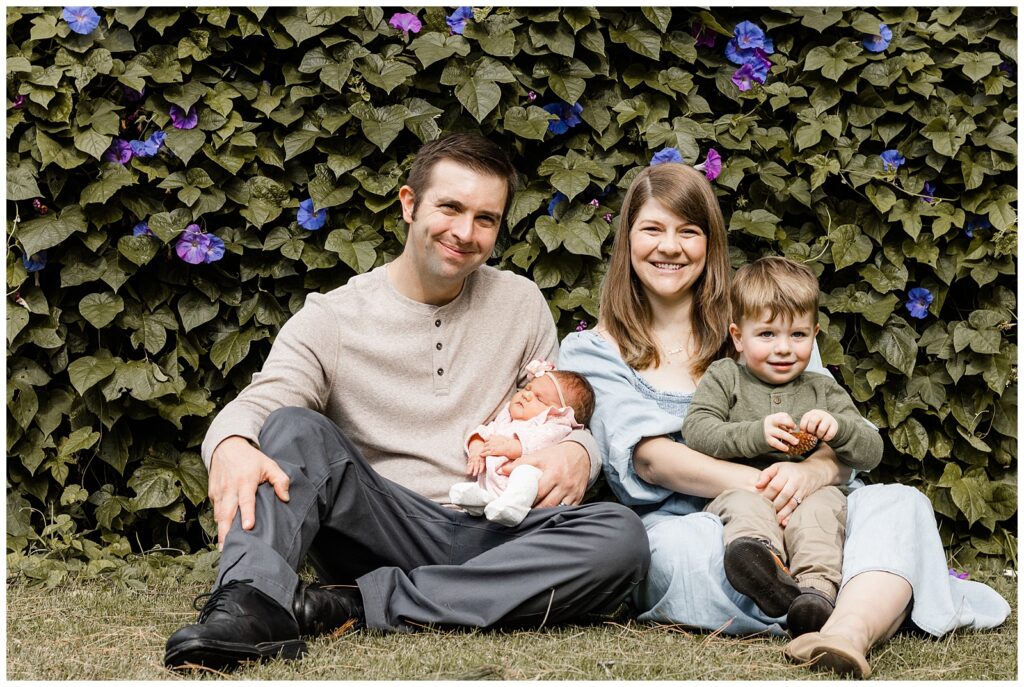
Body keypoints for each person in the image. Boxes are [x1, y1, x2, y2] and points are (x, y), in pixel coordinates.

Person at [164, 133, 650, 671]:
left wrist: (580, 451)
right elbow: (267, 396)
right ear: (408, 204)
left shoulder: (521, 303)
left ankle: (353, 604)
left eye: (486, 219)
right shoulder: (333, 317)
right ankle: (249, 604)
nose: (465, 233)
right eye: (450, 208)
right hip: (383, 523)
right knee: (293, 428)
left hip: (496, 529)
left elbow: (555, 411)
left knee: (621, 537)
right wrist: (231, 441)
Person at [558, 161, 1009, 678]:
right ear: (626, 241)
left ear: (711, 243)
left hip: (811, 506)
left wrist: (808, 475)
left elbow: (834, 437)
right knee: (678, 552)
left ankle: (846, 632)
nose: (670, 247)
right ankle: (859, 592)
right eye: (652, 230)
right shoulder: (592, 351)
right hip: (697, 522)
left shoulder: (769, 323)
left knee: (899, 501)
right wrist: (770, 488)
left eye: (689, 231)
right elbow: (654, 460)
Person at [682, 256, 883, 637]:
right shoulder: (726, 377)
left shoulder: (821, 387)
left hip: (811, 493)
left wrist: (838, 429)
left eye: (798, 335)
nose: (784, 349)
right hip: (746, 487)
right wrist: (756, 434)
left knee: (822, 512)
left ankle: (815, 596)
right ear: (738, 337)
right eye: (767, 335)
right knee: (746, 503)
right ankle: (762, 564)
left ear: (815, 334)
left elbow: (871, 451)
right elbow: (698, 430)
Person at [449, 360, 596, 526]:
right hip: (493, 481)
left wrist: (512, 447)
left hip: (526, 480)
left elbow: (542, 441)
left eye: (539, 399)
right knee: (483, 482)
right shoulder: (506, 417)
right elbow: (486, 430)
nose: (526, 395)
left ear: (558, 413)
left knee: (525, 473)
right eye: (527, 388)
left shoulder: (554, 425)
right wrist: (476, 449)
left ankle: (513, 505)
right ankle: (482, 500)